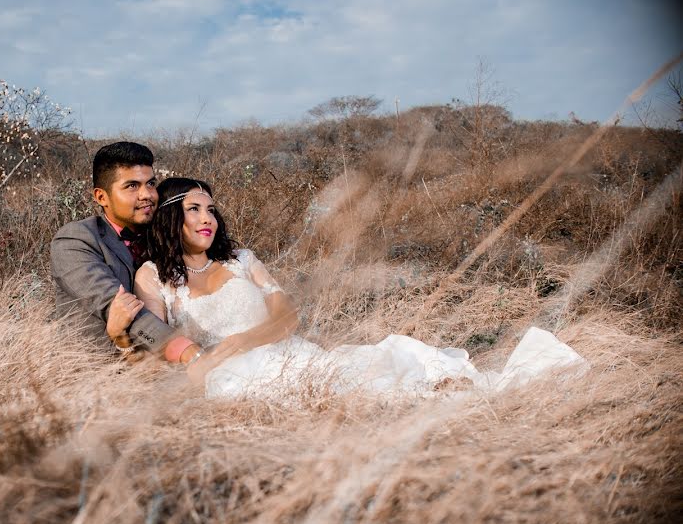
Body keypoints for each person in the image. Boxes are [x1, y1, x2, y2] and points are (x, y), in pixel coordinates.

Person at [131, 177, 588, 403]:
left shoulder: (243, 260)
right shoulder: (153, 276)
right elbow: (157, 340)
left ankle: (454, 388)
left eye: (211, 209)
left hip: (286, 352)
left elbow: (288, 316)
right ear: (172, 218)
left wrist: (240, 341)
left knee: (389, 372)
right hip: (229, 376)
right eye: (195, 209)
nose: (208, 218)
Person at [50, 142, 203, 364]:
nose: (147, 195)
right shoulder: (75, 240)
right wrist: (189, 353)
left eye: (150, 183)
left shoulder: (162, 232)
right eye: (132, 186)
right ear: (101, 197)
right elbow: (121, 308)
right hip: (97, 373)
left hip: (169, 370)